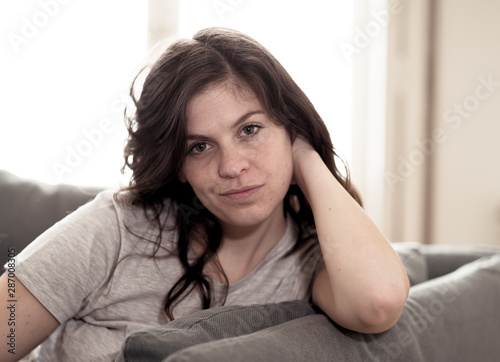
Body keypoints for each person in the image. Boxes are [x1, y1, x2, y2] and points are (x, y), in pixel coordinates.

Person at [0, 27, 409, 361]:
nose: (231, 166)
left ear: (291, 127)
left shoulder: (315, 259)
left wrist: (306, 157)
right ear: (178, 165)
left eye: (250, 130)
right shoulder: (116, 227)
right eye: (199, 146)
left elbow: (379, 302)